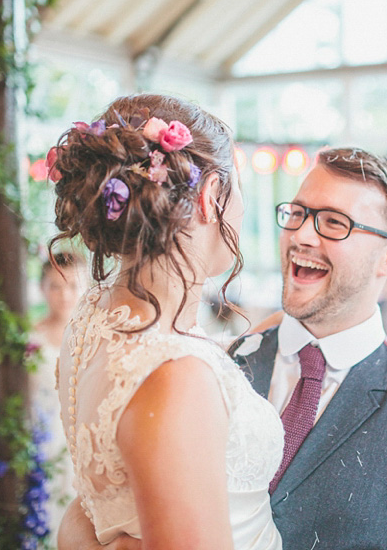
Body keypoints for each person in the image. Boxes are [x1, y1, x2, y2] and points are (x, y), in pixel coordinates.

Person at [60, 146, 387, 549]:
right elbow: (103, 507)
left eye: (334, 222)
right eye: (298, 213)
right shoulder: (206, 367)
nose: (302, 235)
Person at [50, 94, 284, 548]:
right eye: (237, 191)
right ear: (211, 196)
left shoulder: (94, 314)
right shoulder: (176, 376)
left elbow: (96, 507)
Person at [29, 251, 84, 540]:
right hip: (47, 433)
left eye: (73, 286)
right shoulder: (31, 339)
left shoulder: (89, 333)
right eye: (55, 286)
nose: (65, 295)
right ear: (42, 288)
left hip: (82, 429)